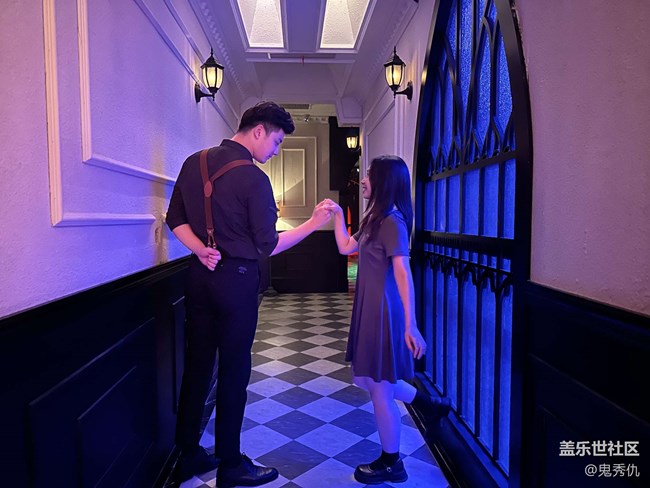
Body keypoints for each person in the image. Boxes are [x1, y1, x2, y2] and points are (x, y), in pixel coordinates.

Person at [165, 101, 332, 487]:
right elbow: (267, 245)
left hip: (198, 276)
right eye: (276, 141)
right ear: (258, 131)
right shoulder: (253, 179)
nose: (275, 151)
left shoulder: (194, 162)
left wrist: (201, 250)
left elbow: (175, 218)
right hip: (236, 282)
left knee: (197, 366)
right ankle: (230, 465)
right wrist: (311, 224)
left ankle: (188, 454)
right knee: (234, 369)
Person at [323, 155, 451, 485]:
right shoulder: (373, 219)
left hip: (384, 313)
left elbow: (403, 272)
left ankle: (392, 462)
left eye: (368, 175)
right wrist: (336, 215)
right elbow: (344, 247)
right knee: (367, 379)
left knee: (378, 388)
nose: (363, 180)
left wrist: (411, 324)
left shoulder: (392, 222)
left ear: (384, 181)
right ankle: (429, 405)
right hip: (369, 309)